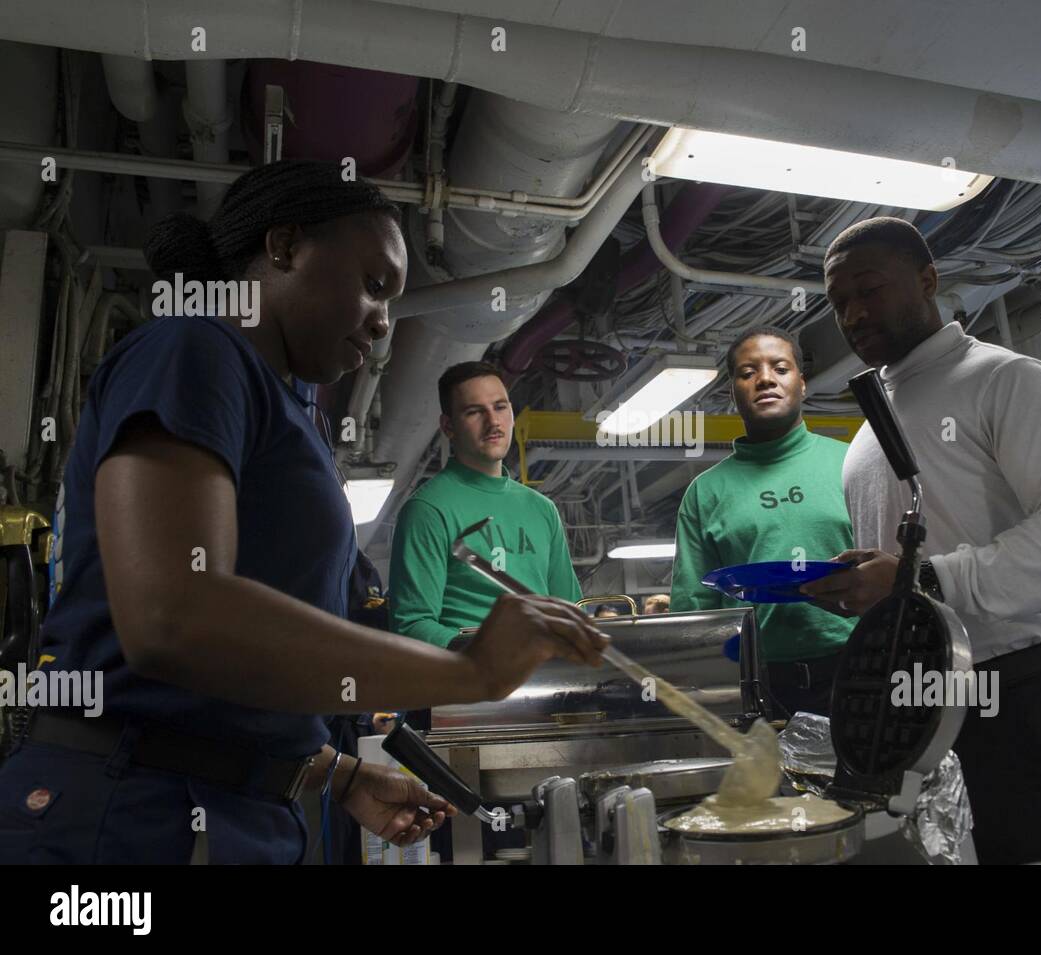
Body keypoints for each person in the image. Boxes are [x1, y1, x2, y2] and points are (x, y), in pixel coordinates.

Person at [0, 160, 608, 865]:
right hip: (131, 818)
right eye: (374, 285)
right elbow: (174, 617)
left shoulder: (289, 412)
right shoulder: (193, 349)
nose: (383, 323)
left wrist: (332, 770)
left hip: (226, 809)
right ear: (284, 247)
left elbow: (224, 692)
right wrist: (467, 671)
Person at [802, 216, 1041, 864]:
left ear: (928, 280)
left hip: (1018, 705)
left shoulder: (1007, 380)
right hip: (908, 720)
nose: (853, 313)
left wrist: (923, 581)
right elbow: (898, 578)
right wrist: (863, 593)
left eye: (869, 290)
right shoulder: (864, 438)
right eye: (839, 301)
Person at [671, 327, 857, 718]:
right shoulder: (706, 493)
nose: (766, 379)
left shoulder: (853, 464)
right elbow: (693, 606)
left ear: (802, 384)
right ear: (732, 393)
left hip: (857, 669)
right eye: (748, 372)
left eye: (780, 367)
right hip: (756, 683)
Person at [387, 362, 582, 647]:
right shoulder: (427, 509)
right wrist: (486, 654)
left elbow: (571, 608)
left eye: (500, 407)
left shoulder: (542, 509)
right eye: (475, 412)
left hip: (545, 677)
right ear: (448, 426)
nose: (493, 422)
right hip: (469, 681)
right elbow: (412, 625)